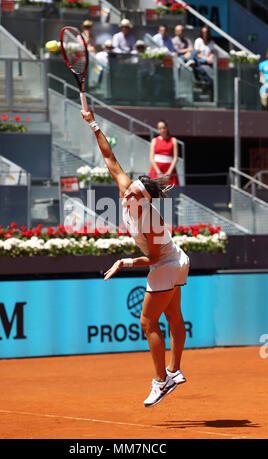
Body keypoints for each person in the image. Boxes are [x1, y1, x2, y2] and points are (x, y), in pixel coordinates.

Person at [81, 108, 189, 408]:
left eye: (132, 194)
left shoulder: (150, 222)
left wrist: (124, 262)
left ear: (142, 202)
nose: (126, 194)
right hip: (178, 259)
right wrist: (93, 123)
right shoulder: (128, 190)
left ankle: (161, 380)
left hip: (167, 264)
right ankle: (175, 369)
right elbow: (110, 159)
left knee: (147, 321)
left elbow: (154, 260)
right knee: (173, 317)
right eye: (129, 189)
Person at [149, 120, 179, 186]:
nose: (162, 130)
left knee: (171, 191)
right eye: (160, 128)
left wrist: (169, 173)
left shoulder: (173, 140)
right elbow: (151, 158)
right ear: (158, 129)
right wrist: (158, 172)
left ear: (167, 128)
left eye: (164, 128)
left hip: (170, 170)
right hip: (156, 170)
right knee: (154, 191)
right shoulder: (154, 141)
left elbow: (175, 158)